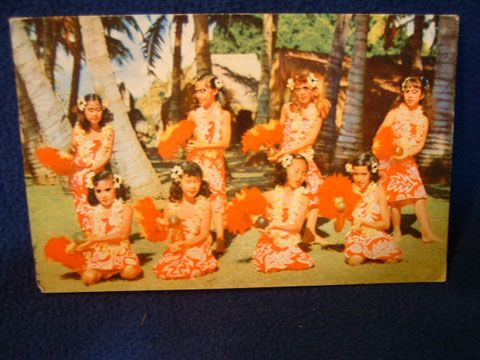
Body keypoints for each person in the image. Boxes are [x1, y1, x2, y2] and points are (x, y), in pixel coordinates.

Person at [374, 76, 440, 243]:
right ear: (403, 93)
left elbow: (419, 145)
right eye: (407, 91)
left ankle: (426, 233)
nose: (410, 95)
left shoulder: (423, 119)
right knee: (395, 198)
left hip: (407, 159)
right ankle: (396, 231)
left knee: (419, 195)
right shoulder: (395, 113)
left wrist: (406, 153)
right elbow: (381, 134)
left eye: (415, 92)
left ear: (422, 95)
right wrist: (390, 149)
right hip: (389, 159)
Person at [46, 170, 142, 285]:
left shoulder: (125, 209)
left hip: (121, 253)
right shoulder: (93, 214)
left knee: (129, 274)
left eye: (108, 190)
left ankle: (122, 269)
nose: (103, 195)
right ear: (94, 192)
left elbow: (123, 234)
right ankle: (104, 271)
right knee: (88, 278)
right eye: (98, 191)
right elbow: (92, 240)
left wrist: (95, 240)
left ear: (116, 188)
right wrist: (80, 247)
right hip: (101, 255)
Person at [268, 70, 330, 245]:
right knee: (286, 193)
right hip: (286, 160)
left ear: (313, 90)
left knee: (316, 189)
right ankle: (284, 229)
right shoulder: (287, 108)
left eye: (306, 88)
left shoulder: (317, 109)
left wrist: (285, 152)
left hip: (304, 156)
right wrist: (273, 148)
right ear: (292, 91)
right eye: (298, 89)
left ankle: (309, 232)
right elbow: (278, 132)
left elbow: (310, 139)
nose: (302, 92)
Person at [185, 75, 231, 253]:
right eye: (196, 91)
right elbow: (189, 138)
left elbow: (225, 142)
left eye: (203, 90)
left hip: (215, 163)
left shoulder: (224, 115)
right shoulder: (193, 115)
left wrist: (202, 145)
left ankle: (220, 238)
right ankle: (198, 235)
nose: (199, 95)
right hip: (196, 161)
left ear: (215, 90)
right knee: (197, 197)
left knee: (217, 198)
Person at [335, 152, 403, 266]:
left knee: (392, 259)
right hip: (356, 235)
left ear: (371, 173)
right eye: (356, 174)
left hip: (376, 233)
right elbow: (338, 229)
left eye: (363, 174)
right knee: (355, 260)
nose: (359, 178)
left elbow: (386, 224)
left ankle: (373, 253)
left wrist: (364, 222)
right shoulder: (348, 191)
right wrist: (340, 212)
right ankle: (362, 253)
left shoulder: (378, 190)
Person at [154, 161, 218, 279]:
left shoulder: (205, 205)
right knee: (167, 269)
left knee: (194, 265)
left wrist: (186, 244)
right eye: (188, 182)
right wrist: (170, 245)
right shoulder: (170, 205)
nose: (193, 186)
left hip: (197, 243)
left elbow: (204, 234)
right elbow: (168, 235)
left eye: (196, 181)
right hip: (178, 244)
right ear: (179, 182)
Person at [252, 154, 315, 272]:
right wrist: (257, 224)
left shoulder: (303, 199)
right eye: (296, 171)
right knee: (268, 260)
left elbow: (296, 227)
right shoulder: (270, 196)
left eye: (303, 173)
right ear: (284, 170)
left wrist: (276, 225)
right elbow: (254, 216)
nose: (300, 176)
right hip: (271, 241)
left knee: (296, 259)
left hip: (291, 242)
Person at [68, 94, 114, 233]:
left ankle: (104, 236)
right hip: (79, 176)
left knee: (102, 205)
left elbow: (107, 155)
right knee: (83, 208)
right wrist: (70, 149)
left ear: (103, 110)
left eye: (98, 109)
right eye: (91, 110)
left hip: (99, 175)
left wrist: (93, 170)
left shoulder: (108, 131)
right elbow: (73, 148)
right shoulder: (78, 129)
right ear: (84, 111)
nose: (95, 113)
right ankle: (89, 236)